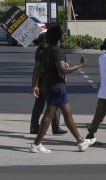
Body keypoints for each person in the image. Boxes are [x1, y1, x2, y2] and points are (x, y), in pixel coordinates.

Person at [30, 25, 95, 153]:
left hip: (50, 86)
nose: (64, 36)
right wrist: (81, 65)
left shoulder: (45, 50)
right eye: (62, 34)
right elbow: (63, 70)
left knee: (67, 114)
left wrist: (35, 85)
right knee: (49, 115)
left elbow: (38, 68)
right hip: (57, 86)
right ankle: (36, 144)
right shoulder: (57, 51)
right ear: (58, 37)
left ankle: (81, 141)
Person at [30, 32, 65, 135]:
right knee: (54, 104)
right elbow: (41, 68)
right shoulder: (44, 51)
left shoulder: (41, 50)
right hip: (46, 81)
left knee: (39, 105)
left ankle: (34, 127)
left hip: (40, 81)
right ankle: (55, 127)